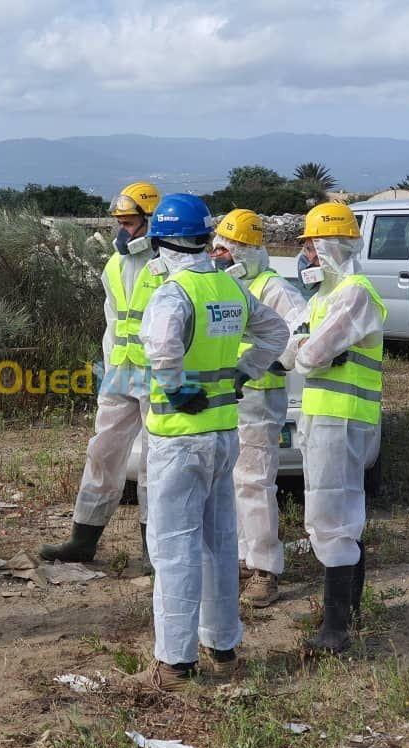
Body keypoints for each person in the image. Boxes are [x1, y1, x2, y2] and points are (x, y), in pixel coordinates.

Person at [131, 194, 289, 691]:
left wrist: (178, 390)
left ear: (160, 241)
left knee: (173, 548)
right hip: (223, 437)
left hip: (179, 440)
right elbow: (276, 331)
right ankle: (222, 648)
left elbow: (160, 349)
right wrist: (243, 372)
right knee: (219, 544)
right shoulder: (229, 286)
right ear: (203, 238)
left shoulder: (172, 293)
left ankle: (175, 662)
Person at [279, 201, 387, 654]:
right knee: (341, 513)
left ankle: (336, 627)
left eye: (311, 245)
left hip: (340, 419)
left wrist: (307, 347)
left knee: (330, 516)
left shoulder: (353, 293)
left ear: (331, 246)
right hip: (324, 417)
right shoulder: (324, 296)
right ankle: (348, 610)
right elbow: (293, 348)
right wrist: (305, 346)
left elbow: (308, 356)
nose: (305, 255)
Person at [38, 182, 162, 569]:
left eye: (129, 223)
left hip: (158, 376)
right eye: (119, 223)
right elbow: (113, 322)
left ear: (150, 222)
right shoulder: (114, 265)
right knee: (102, 453)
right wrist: (108, 369)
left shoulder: (168, 267)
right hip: (120, 373)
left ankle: (152, 551)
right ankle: (82, 539)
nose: (122, 231)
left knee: (152, 464)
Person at [209, 210, 307, 608]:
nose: (217, 257)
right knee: (231, 485)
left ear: (245, 252)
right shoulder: (220, 287)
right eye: (214, 248)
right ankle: (242, 562)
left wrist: (263, 363)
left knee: (254, 483)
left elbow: (297, 335)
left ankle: (265, 569)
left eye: (224, 250)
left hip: (260, 398)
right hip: (229, 400)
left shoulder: (273, 288)